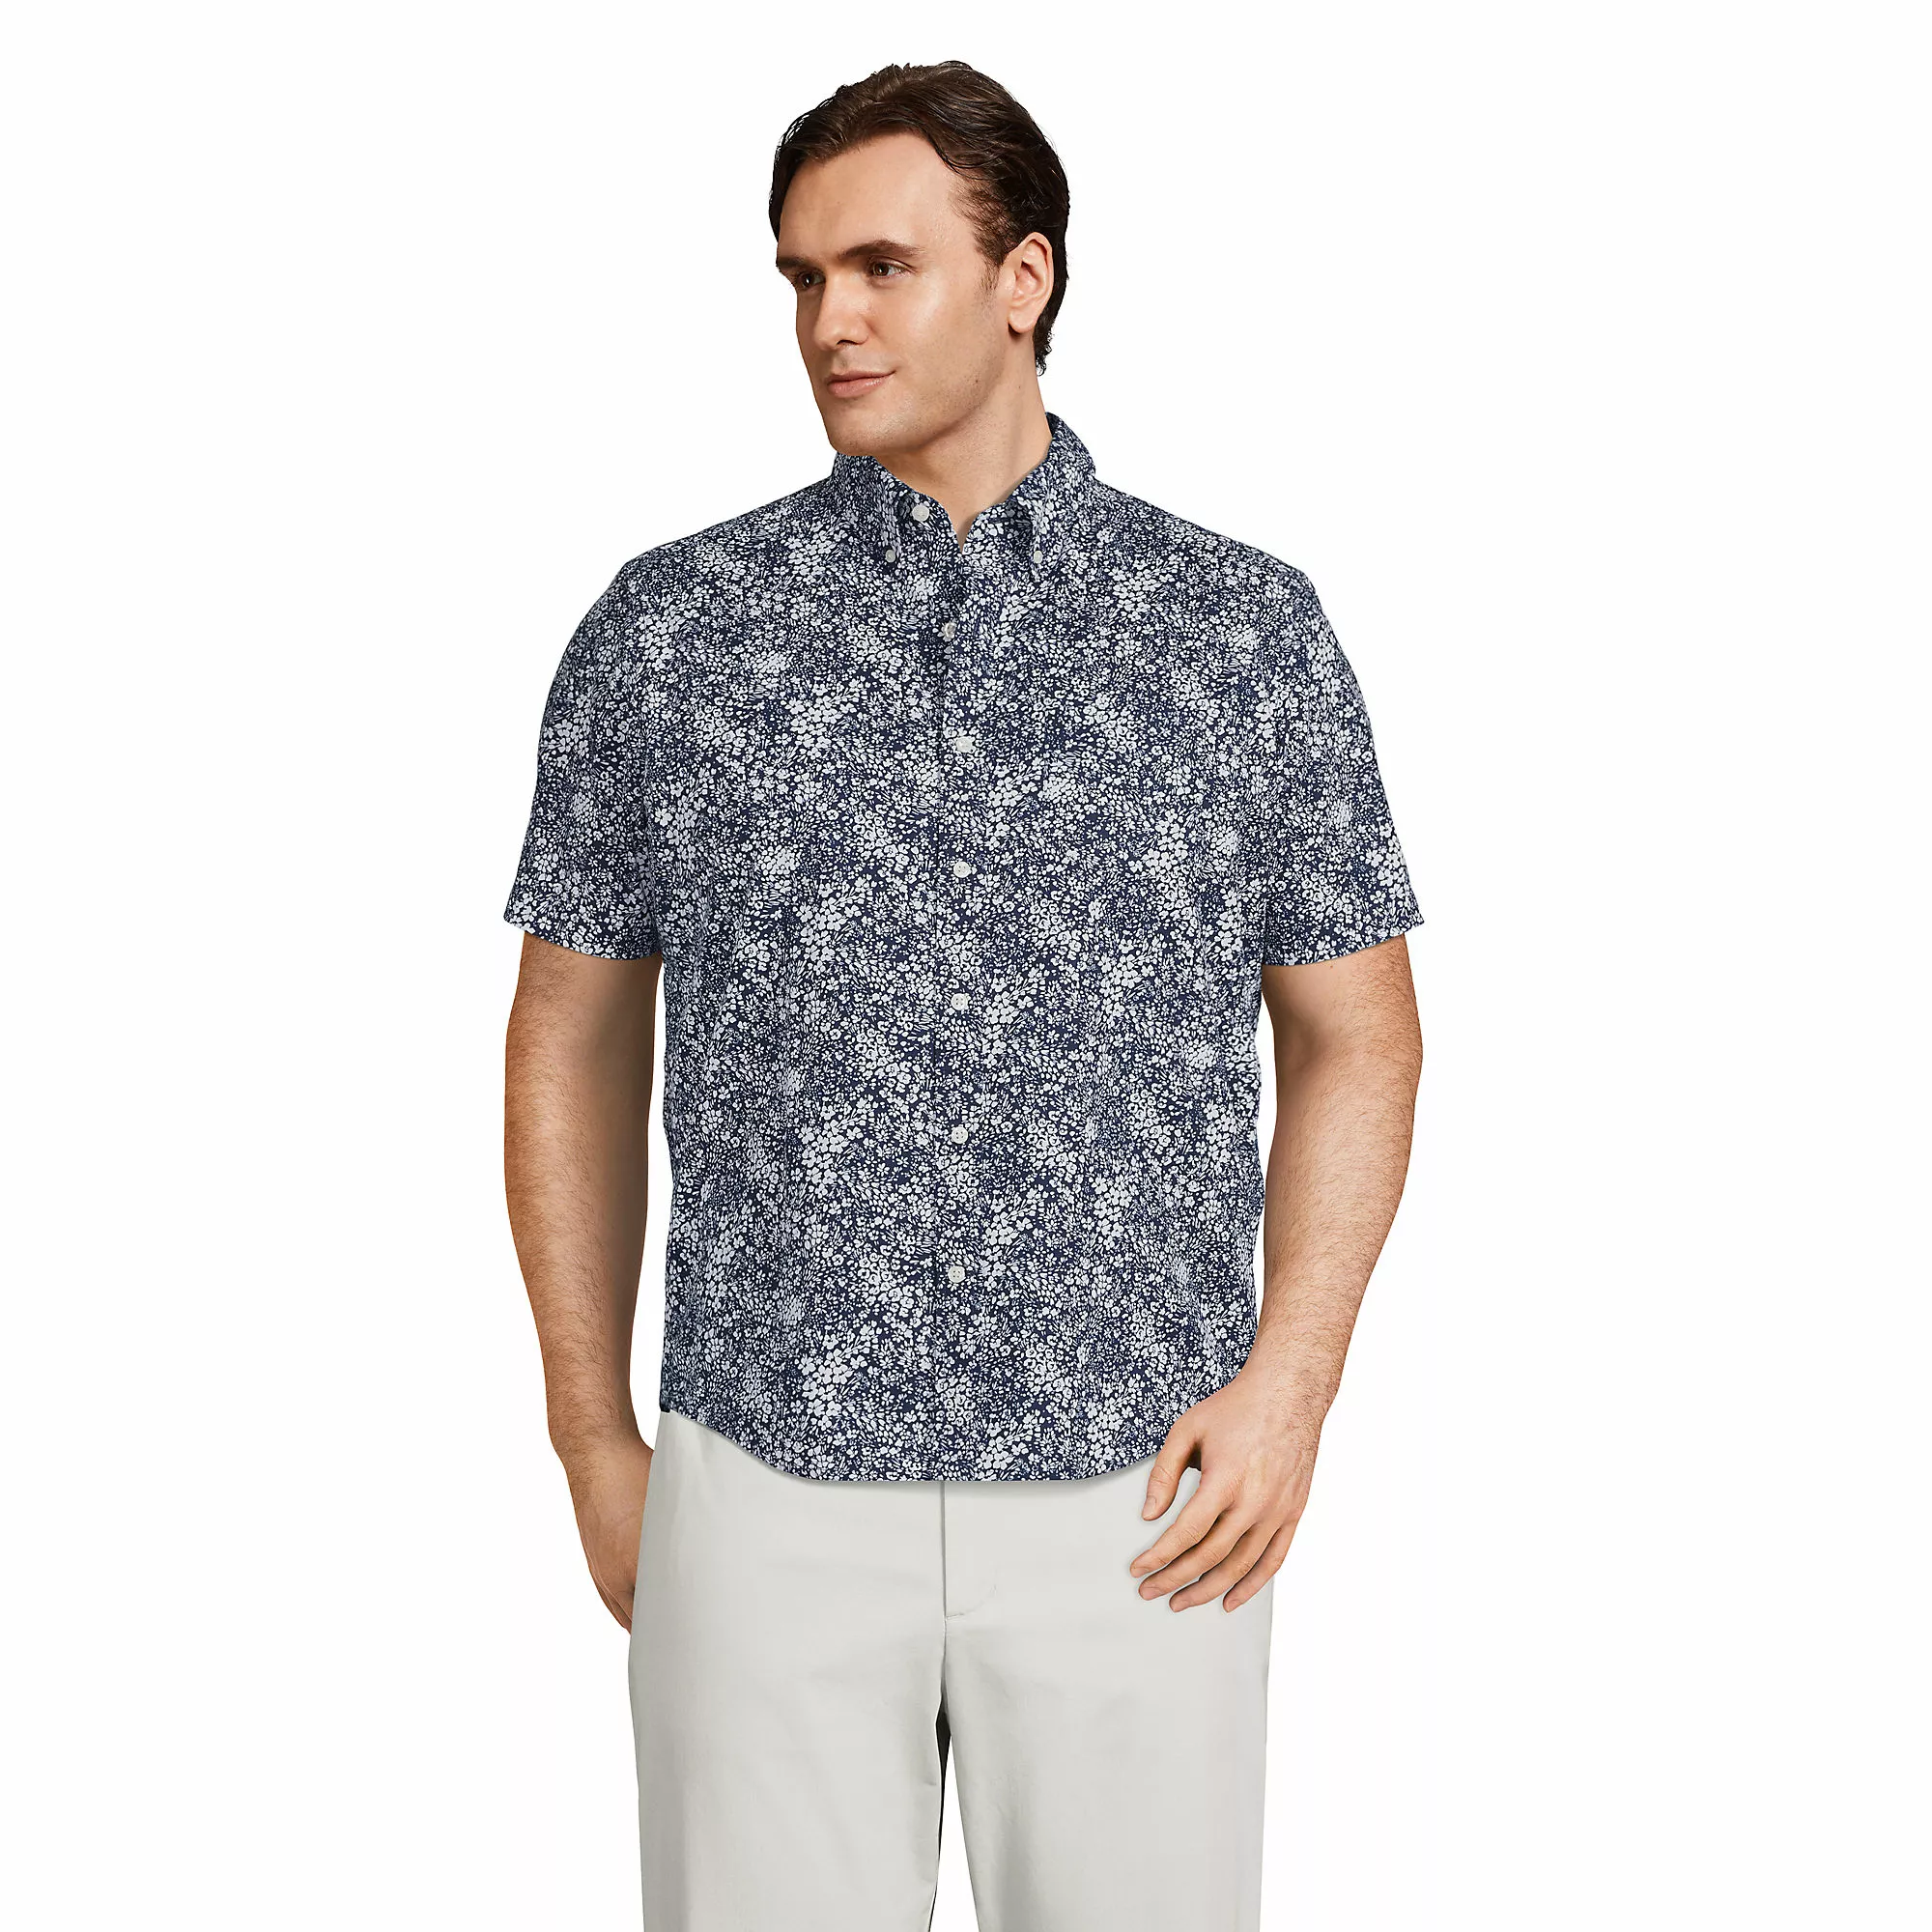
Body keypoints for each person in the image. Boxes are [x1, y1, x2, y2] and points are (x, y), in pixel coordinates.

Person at [502, 58, 1424, 1932]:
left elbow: (1357, 1032)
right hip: (763, 1481)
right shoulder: (668, 634)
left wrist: (1293, 1387)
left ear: (1024, 279)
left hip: (1143, 1495)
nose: (827, 322)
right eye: (800, 278)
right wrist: (593, 1434)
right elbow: (568, 1039)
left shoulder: (1238, 633)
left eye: (880, 268)